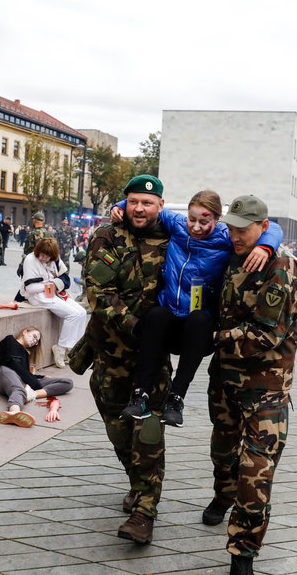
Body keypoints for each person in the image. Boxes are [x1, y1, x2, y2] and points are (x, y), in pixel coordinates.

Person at [109, 189, 282, 427]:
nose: (197, 227)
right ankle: (141, 395)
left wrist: (265, 247)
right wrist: (118, 205)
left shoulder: (225, 236)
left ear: (217, 220)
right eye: (193, 219)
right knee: (155, 315)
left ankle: (176, 398)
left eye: (204, 221)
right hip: (168, 316)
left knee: (200, 320)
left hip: (197, 327)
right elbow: (147, 205)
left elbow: (271, 228)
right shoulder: (178, 224)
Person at [204, 195, 297, 575]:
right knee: (222, 451)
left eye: (243, 229)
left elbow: (266, 334)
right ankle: (221, 496)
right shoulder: (231, 257)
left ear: (264, 227)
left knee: (255, 472)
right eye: (230, 227)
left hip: (266, 390)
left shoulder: (281, 268)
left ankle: (243, 553)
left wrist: (212, 337)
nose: (234, 235)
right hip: (225, 383)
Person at [70, 174, 171, 545]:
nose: (139, 208)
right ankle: (138, 483)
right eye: (133, 202)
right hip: (110, 356)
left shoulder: (174, 239)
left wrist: (269, 244)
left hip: (152, 359)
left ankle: (144, 511)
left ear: (160, 205)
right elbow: (97, 291)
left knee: (147, 431)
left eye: (147, 202)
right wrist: (134, 324)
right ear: (125, 204)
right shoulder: (106, 237)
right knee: (117, 430)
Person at [19, 237, 86, 368]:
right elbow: (31, 288)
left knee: (82, 312)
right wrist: (50, 284)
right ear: (38, 251)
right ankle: (60, 349)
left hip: (53, 293)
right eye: (42, 255)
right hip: (38, 297)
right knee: (73, 314)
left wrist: (53, 284)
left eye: (47, 256)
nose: (44, 258)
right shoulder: (30, 260)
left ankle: (71, 349)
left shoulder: (55, 260)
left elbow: (65, 278)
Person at [0, 326, 73, 427]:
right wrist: (35, 382)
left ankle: (31, 395)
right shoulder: (10, 340)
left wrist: (41, 377)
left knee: (67, 383)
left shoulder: (25, 353)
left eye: (37, 341)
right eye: (34, 336)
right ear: (25, 332)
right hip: (5, 371)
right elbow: (13, 364)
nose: (35, 341)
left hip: (22, 379)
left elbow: (24, 372)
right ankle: (14, 412)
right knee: (19, 390)